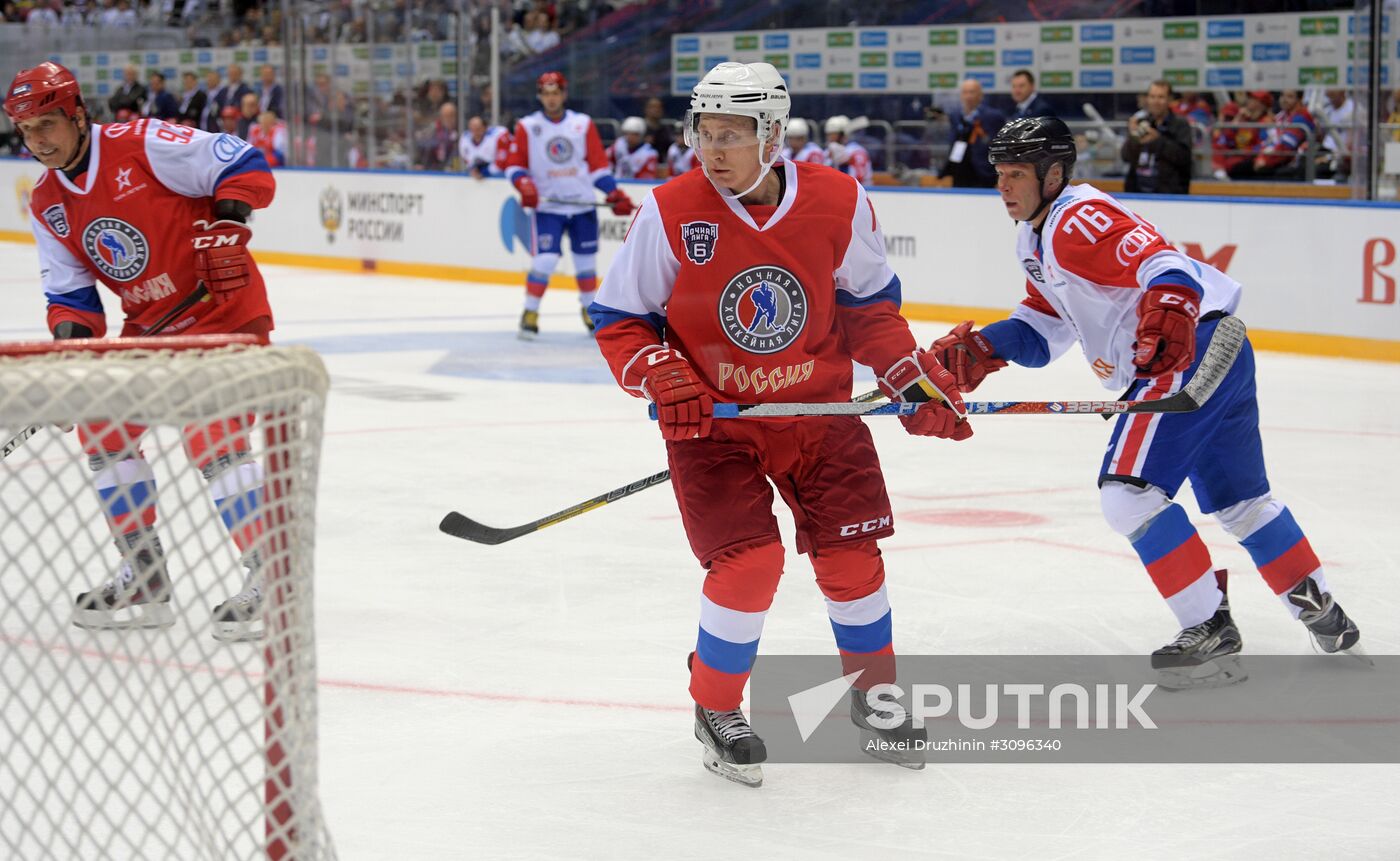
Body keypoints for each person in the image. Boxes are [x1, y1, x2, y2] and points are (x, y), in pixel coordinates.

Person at [589, 61, 972, 787]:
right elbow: (619, 321)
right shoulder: (671, 209)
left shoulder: (838, 200)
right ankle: (716, 704)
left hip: (820, 415)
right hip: (715, 426)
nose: (714, 149)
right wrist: (658, 372)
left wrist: (907, 378)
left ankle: (874, 698)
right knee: (750, 563)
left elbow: (869, 310)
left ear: (772, 133)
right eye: (705, 132)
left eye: (732, 134)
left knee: (852, 559)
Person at [930, 117, 1362, 687]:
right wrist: (986, 347)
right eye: (1000, 174)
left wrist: (1168, 324)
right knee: (1242, 503)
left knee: (1128, 496)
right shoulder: (1035, 236)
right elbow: (1045, 330)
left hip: (1190, 353)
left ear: (1053, 173)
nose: (1002, 186)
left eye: (1014, 174)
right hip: (1218, 347)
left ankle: (1209, 623)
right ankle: (1324, 612)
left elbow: (1169, 268)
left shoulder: (1077, 218)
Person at [5, 61, 278, 642]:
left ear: (78, 114)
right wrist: (70, 362)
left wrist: (228, 223)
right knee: (104, 428)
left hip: (224, 313)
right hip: (151, 326)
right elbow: (72, 298)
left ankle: (273, 577)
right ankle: (146, 574)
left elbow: (244, 162)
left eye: (47, 124)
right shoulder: (49, 201)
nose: (38, 141)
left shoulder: (144, 143)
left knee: (213, 439)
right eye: (26, 131)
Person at [503, 71, 634, 339]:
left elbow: (597, 166)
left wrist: (613, 192)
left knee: (586, 264)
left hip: (582, 205)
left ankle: (589, 311)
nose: (551, 99)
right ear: (540, 96)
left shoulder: (582, 124)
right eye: (546, 93)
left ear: (564, 94)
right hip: (548, 208)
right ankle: (530, 311)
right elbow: (514, 166)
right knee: (546, 260)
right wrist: (524, 184)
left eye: (556, 93)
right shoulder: (528, 126)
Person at [1121, 79, 1193, 195]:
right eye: (1152, 97)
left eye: (1160, 97)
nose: (1155, 101)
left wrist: (1157, 140)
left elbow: (1184, 158)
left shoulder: (1180, 124)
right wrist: (1133, 138)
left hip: (1169, 196)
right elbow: (1125, 157)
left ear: (1169, 99)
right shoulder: (1142, 122)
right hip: (1137, 193)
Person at [939, 77, 1004, 188]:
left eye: (972, 92)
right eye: (965, 92)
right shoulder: (955, 115)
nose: (968, 96)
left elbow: (998, 146)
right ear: (961, 95)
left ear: (980, 95)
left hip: (983, 172)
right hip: (959, 171)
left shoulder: (993, 116)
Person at [822, 114, 872, 186]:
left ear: (844, 134)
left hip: (862, 191)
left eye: (834, 134)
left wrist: (848, 161)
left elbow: (859, 178)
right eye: (829, 134)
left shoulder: (857, 152)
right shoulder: (827, 152)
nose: (830, 138)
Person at [458, 114, 508, 178]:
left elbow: (502, 161)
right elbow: (466, 159)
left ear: (485, 128)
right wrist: (473, 169)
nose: (475, 132)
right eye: (472, 129)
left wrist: (485, 172)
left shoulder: (497, 136)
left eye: (477, 129)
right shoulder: (465, 138)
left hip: (499, 175)